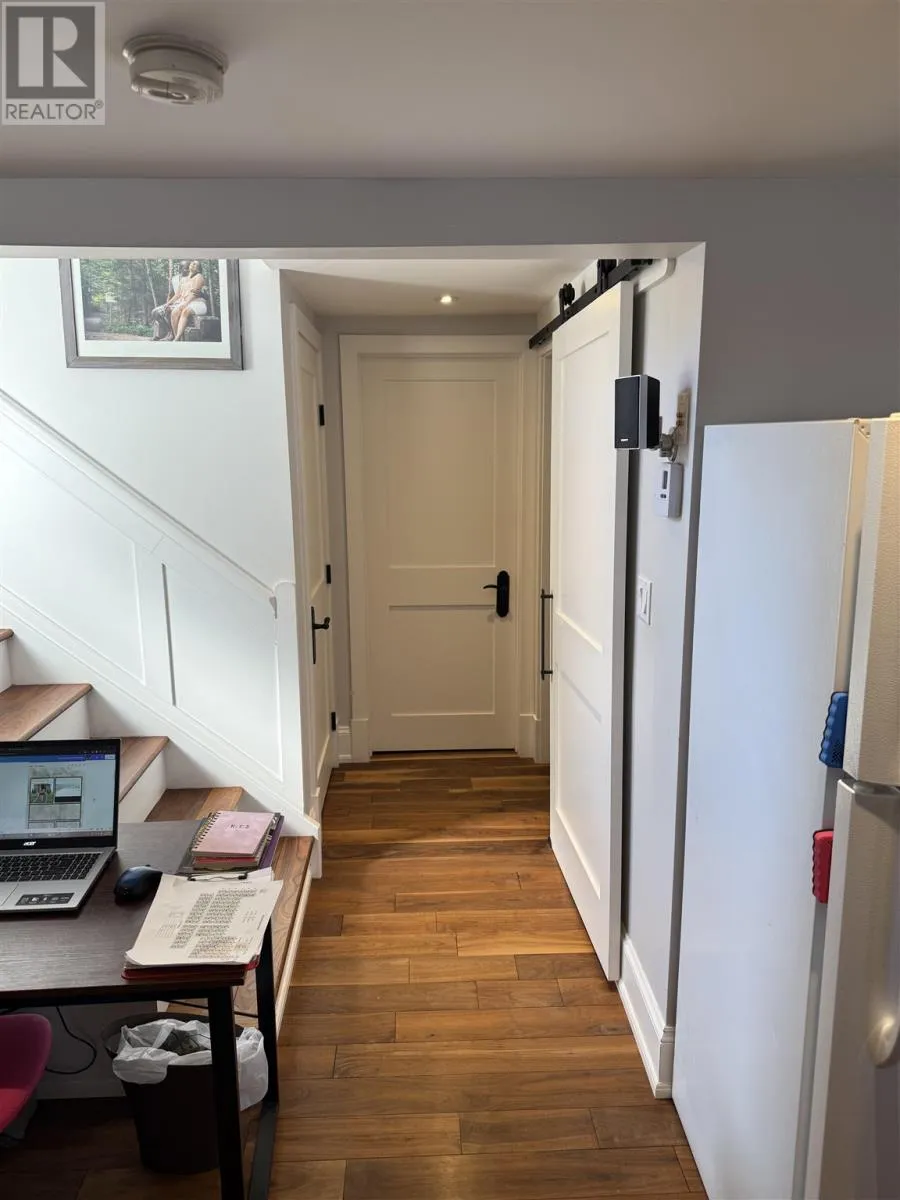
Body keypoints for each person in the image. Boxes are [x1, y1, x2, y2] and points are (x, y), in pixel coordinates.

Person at [169, 261, 209, 341]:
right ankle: (177, 338)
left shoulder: (199, 276)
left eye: (196, 264)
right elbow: (177, 295)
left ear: (198, 269)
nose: (193, 264)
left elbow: (194, 293)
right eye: (192, 263)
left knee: (185, 311)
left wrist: (185, 303)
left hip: (198, 303)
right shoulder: (183, 279)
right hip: (187, 302)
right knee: (174, 313)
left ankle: (176, 338)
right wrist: (168, 303)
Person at [150, 261, 189, 341]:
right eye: (186, 268)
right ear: (180, 269)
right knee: (155, 312)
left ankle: (172, 334)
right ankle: (161, 334)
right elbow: (171, 294)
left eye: (188, 268)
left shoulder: (191, 278)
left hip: (184, 303)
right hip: (175, 302)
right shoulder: (175, 279)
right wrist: (167, 303)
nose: (188, 270)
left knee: (168, 310)